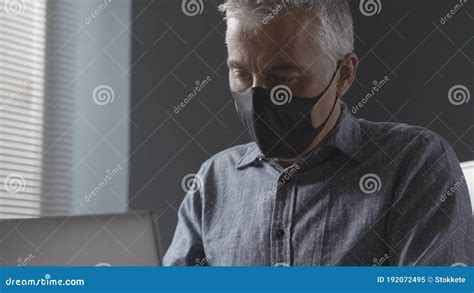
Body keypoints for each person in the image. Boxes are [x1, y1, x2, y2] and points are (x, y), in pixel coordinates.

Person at [163, 0, 473, 266]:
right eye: (241, 74)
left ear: (344, 75)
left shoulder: (414, 163)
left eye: (283, 76)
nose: (258, 96)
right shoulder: (214, 181)